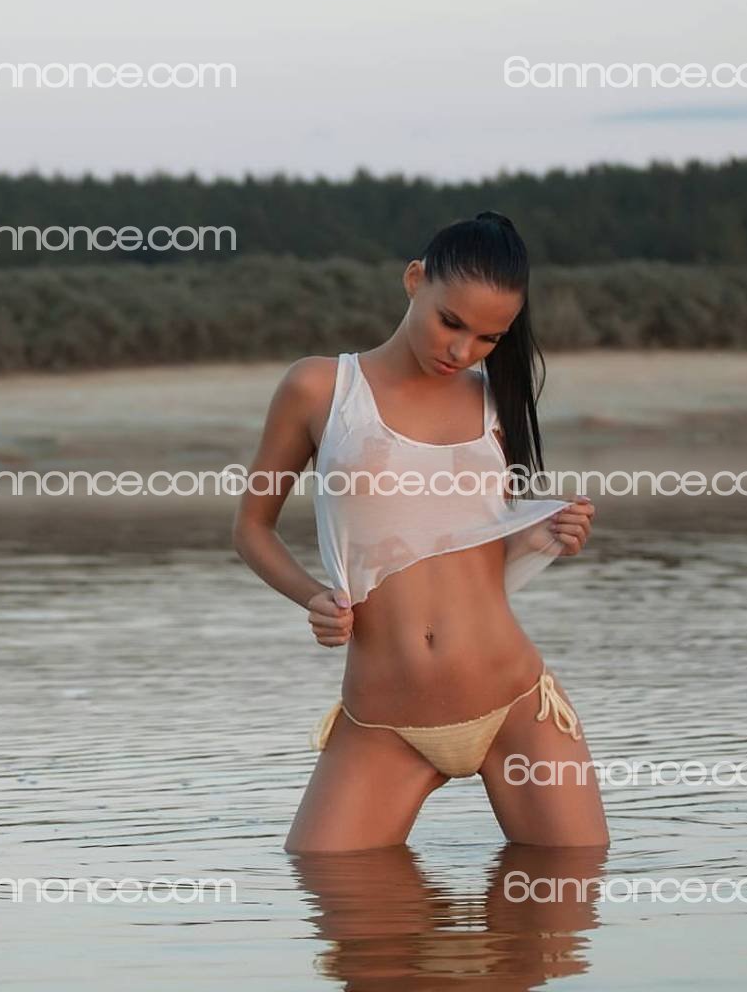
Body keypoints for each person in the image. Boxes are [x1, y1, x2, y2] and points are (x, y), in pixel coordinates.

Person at [232, 211, 610, 853]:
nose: (462, 351)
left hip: (516, 705)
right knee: (326, 882)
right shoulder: (320, 388)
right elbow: (251, 529)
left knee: (567, 893)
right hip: (382, 718)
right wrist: (313, 597)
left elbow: (470, 552)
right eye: (450, 322)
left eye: (488, 338)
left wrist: (551, 533)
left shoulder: (497, 401)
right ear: (415, 280)